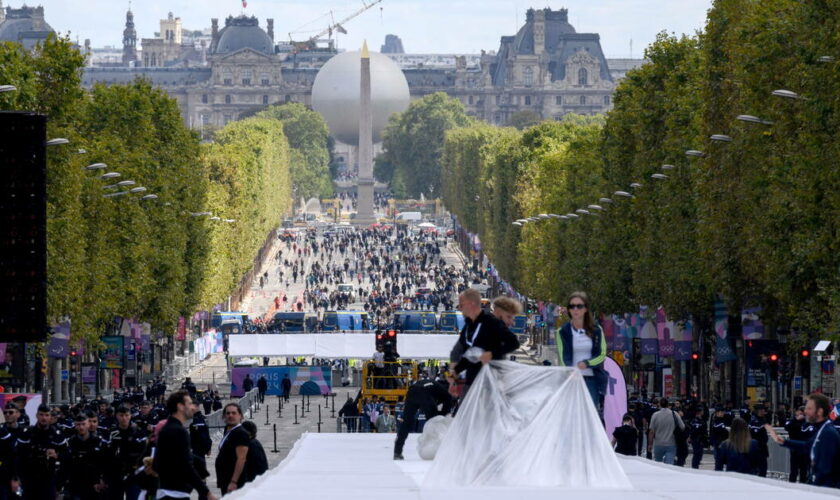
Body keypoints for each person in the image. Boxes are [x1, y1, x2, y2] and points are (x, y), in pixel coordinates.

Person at [448, 289, 520, 395]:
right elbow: (467, 355)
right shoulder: (483, 325)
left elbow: (471, 355)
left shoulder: (490, 327)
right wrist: (453, 377)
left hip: (488, 385)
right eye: (508, 317)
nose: (511, 323)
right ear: (498, 313)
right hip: (479, 385)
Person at [766, 393, 840, 487]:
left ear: (820, 411)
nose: (805, 412)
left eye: (809, 408)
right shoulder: (822, 429)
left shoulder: (827, 433)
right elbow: (808, 446)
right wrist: (784, 442)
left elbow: (826, 470)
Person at [154, 391, 216, 500]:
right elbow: (185, 465)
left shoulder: (170, 428)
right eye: (189, 404)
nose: (192, 407)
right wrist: (205, 492)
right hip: (173, 494)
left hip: (170, 491)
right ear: (180, 406)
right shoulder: (177, 431)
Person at [554, 291, 608, 412]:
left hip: (592, 380)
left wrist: (587, 363)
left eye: (579, 306)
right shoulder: (562, 331)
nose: (575, 309)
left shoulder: (597, 330)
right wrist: (571, 371)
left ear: (586, 309)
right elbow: (562, 357)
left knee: (590, 415)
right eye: (572, 306)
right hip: (572, 379)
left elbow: (602, 354)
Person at [12, 404, 67, 499]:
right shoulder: (27, 433)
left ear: (50, 417)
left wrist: (56, 455)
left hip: (49, 478)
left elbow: (66, 457)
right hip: (29, 478)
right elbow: (18, 457)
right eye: (41, 415)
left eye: (46, 415)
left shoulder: (57, 434)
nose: (44, 418)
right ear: (37, 415)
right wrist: (16, 478)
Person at [394, 377, 453, 460]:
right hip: (424, 394)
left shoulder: (434, 384)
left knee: (406, 423)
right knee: (434, 422)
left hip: (411, 392)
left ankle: (397, 452)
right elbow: (447, 403)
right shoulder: (445, 392)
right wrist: (440, 415)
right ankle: (435, 450)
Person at [64, 413, 108, 499]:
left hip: (94, 483)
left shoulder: (98, 441)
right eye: (78, 424)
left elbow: (104, 463)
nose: (81, 427)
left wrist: (102, 479)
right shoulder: (70, 442)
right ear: (75, 425)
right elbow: (65, 465)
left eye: (83, 424)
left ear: (88, 424)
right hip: (75, 483)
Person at [107, 405, 147, 500]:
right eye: (121, 415)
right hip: (116, 474)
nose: (124, 418)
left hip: (133, 473)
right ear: (116, 416)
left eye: (126, 415)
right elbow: (107, 455)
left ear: (130, 416)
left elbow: (144, 453)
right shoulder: (112, 432)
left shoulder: (138, 432)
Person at [214, 404, 250, 495]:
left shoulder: (240, 433)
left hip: (234, 482)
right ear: (224, 416)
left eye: (234, 413)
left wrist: (234, 481)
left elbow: (241, 459)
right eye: (228, 413)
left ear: (240, 416)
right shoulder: (229, 431)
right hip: (225, 480)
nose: (230, 415)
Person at [647, 398, 685, 465]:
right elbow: (682, 427)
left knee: (658, 464)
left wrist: (650, 444)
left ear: (659, 404)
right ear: (668, 405)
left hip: (658, 443)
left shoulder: (655, 415)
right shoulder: (674, 414)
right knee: (669, 464)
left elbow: (651, 431)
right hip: (671, 443)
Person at [784, 406, 815, 483]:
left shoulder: (807, 422)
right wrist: (796, 419)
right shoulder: (791, 421)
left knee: (803, 471)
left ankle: (803, 486)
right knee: (794, 471)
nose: (800, 413)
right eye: (799, 411)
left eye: (802, 412)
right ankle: (791, 486)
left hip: (804, 450)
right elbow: (787, 426)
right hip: (795, 450)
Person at [748, 404, 769, 476]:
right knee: (758, 471)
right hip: (757, 449)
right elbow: (755, 435)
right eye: (762, 410)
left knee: (763, 470)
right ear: (758, 411)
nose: (764, 411)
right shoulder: (755, 421)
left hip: (762, 449)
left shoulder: (762, 420)